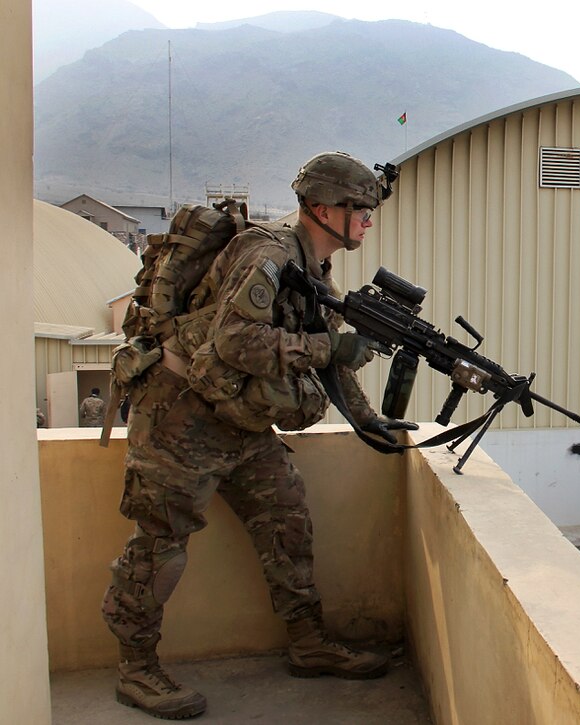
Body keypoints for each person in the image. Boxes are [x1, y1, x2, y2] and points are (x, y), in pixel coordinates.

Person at [101, 151, 418, 720]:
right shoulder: (268, 255)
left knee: (287, 519)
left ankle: (308, 642)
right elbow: (233, 343)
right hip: (181, 418)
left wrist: (367, 417)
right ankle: (136, 669)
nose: (368, 221)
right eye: (360, 209)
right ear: (321, 209)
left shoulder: (313, 267)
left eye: (371, 210)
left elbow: (328, 350)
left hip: (239, 421)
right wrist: (327, 348)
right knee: (159, 545)